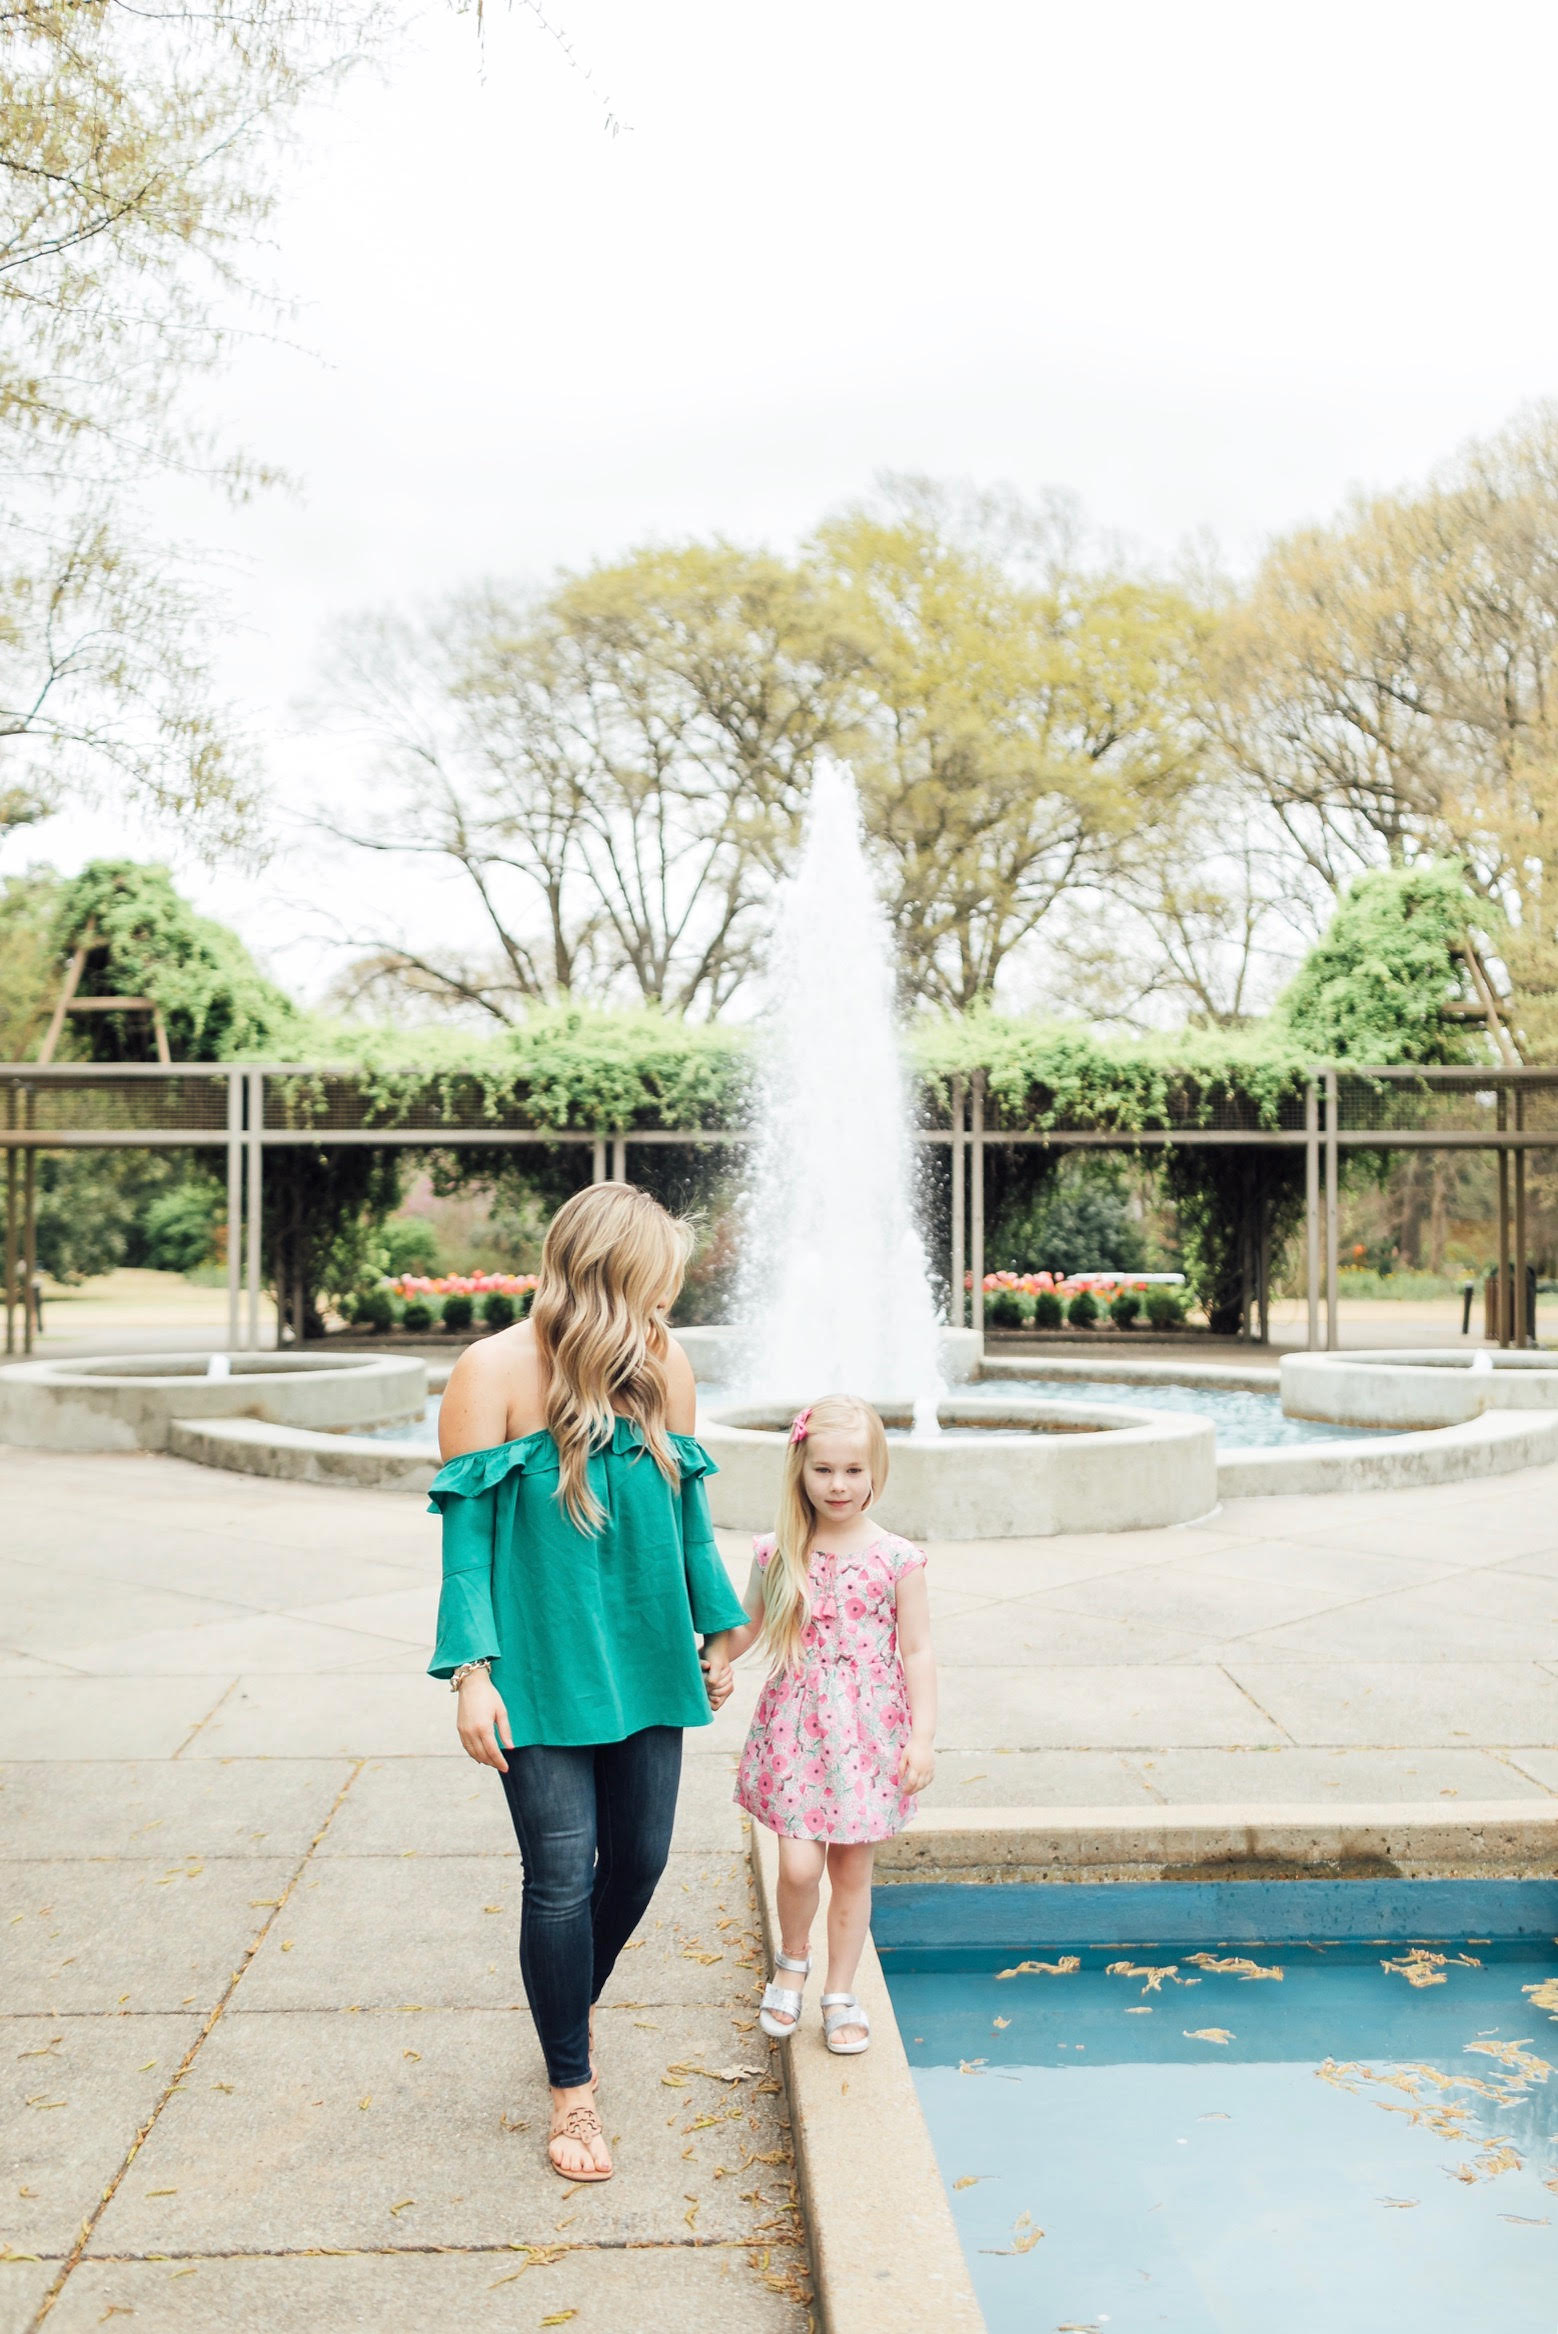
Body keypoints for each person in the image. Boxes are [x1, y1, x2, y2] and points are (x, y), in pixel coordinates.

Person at [427, 1182, 749, 2183]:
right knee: (560, 1875)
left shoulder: (663, 1363)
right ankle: (573, 2089)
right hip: (538, 1662)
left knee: (641, 1862)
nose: (669, 1298)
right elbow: (466, 1549)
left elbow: (686, 1514)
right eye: (656, 1278)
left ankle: (564, 1998)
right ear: (611, 1271)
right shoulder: (491, 1372)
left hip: (648, 1648)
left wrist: (721, 1626)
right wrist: (469, 1675)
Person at [702, 1392, 936, 2055]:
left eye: (853, 1471)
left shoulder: (898, 1559)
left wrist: (921, 1737)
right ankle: (792, 1962)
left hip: (868, 1736)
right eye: (824, 1470)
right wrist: (717, 1655)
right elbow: (749, 1624)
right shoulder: (779, 1552)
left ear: (875, 1472)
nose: (838, 1485)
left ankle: (839, 1992)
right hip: (799, 1730)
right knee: (801, 1866)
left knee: (853, 1873)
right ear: (799, 1470)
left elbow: (917, 1650)